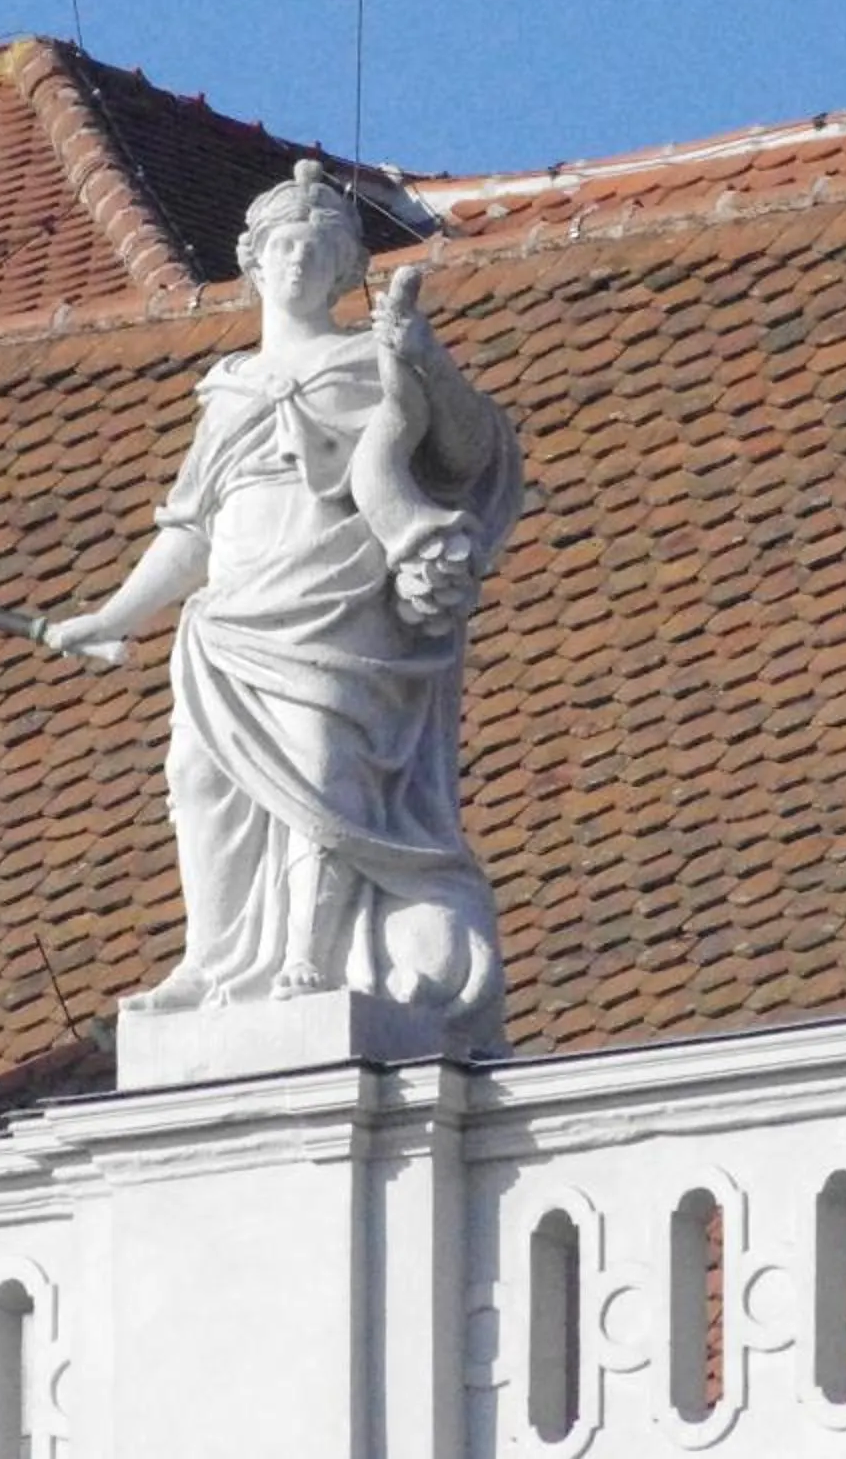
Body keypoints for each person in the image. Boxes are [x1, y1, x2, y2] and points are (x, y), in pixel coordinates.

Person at [50, 162, 521, 1053]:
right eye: (285, 245)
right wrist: (111, 617)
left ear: (349, 270)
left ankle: (309, 957)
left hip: (334, 603)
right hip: (230, 616)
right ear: (253, 262)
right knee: (199, 778)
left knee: (318, 774)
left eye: (323, 247)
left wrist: (422, 359)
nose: (301, 260)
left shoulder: (367, 360)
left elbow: (468, 451)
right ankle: (215, 959)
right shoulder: (227, 390)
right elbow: (189, 530)